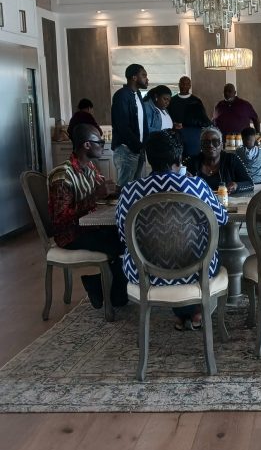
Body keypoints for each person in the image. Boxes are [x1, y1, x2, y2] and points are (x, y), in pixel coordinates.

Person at [115, 131, 228, 330]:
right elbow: (222, 219)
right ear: (179, 158)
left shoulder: (130, 190)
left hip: (144, 271)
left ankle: (184, 313)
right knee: (206, 252)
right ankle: (194, 310)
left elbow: (124, 236)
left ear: (148, 158)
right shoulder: (196, 186)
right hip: (196, 270)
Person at [48, 124, 128, 309]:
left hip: (91, 227)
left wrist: (114, 190)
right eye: (99, 142)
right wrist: (95, 196)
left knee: (127, 237)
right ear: (87, 145)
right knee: (120, 244)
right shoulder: (63, 175)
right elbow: (60, 220)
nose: (103, 145)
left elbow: (103, 190)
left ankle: (99, 285)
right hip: (71, 235)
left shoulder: (89, 168)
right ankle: (111, 294)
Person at [111, 63, 149, 191]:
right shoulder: (121, 95)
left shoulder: (138, 95)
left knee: (135, 190)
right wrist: (137, 146)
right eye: (144, 75)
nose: (147, 79)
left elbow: (142, 124)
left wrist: (143, 146)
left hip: (138, 149)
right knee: (124, 189)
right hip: (126, 149)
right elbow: (122, 126)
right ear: (134, 77)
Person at [186, 126, 253, 194]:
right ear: (201, 146)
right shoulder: (192, 162)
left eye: (215, 142)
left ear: (221, 145)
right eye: (206, 142)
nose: (211, 145)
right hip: (199, 200)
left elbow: (250, 184)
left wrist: (236, 186)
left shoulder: (231, 159)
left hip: (226, 200)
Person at [168, 76, 211, 157]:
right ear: (179, 85)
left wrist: (185, 125)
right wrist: (173, 124)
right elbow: (167, 117)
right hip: (175, 135)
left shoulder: (196, 101)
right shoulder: (172, 101)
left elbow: (202, 119)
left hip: (192, 136)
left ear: (190, 86)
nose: (184, 86)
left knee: (191, 159)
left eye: (187, 84)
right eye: (182, 84)